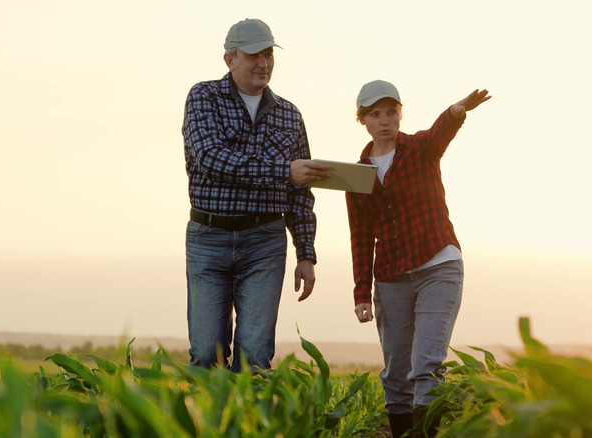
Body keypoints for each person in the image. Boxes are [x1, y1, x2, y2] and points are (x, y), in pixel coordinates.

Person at [181, 18, 330, 372]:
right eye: (253, 55)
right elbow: (212, 159)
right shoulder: (203, 97)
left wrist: (305, 253)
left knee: (256, 357)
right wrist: (283, 170)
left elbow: (300, 193)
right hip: (208, 239)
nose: (263, 63)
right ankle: (209, 426)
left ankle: (247, 426)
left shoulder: (290, 115)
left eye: (268, 54)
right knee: (205, 354)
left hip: (265, 241)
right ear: (229, 59)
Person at [345, 80, 491, 437]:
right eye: (376, 114)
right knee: (396, 374)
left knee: (425, 365)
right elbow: (361, 237)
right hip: (391, 278)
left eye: (392, 112)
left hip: (438, 265)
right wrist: (361, 293)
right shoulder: (357, 175)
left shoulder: (419, 149)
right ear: (362, 119)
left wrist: (457, 111)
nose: (385, 121)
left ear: (400, 114)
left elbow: (439, 133)